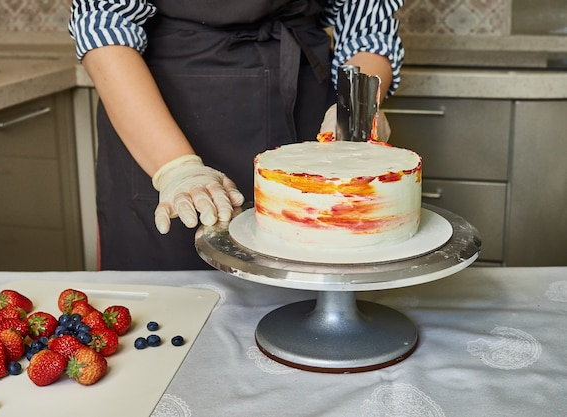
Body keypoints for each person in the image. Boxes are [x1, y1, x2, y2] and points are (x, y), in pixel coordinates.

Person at [69, 0, 405, 271]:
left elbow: (366, 23)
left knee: (304, 285)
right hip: (157, 113)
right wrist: (176, 169)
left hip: (302, 100)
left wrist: (357, 108)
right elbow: (102, 22)